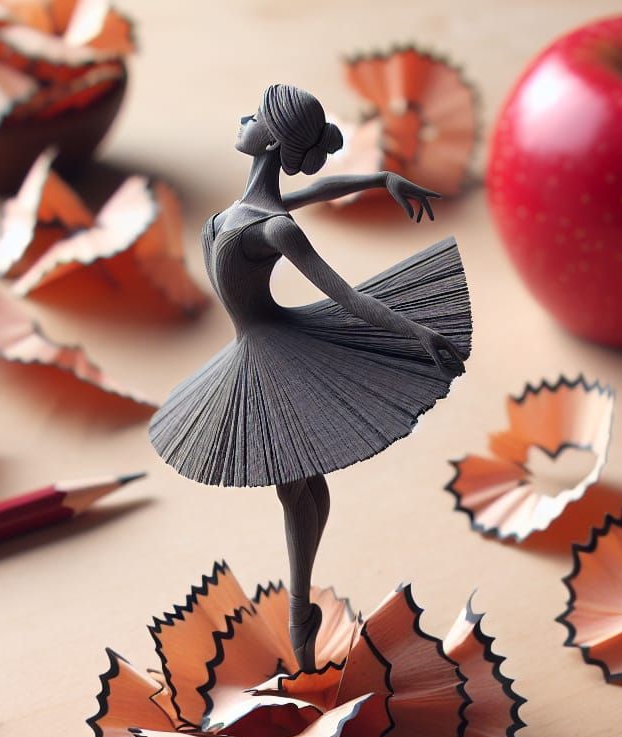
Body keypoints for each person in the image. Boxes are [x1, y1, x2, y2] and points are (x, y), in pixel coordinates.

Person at [151, 83, 471, 672]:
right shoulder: (247, 212)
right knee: (298, 482)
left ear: (269, 139)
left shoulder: (272, 227)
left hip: (277, 347)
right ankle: (301, 616)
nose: (242, 116)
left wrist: (416, 334)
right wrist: (379, 180)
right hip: (254, 348)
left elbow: (346, 296)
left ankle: (300, 611)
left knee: (295, 484)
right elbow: (318, 189)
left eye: (254, 114)